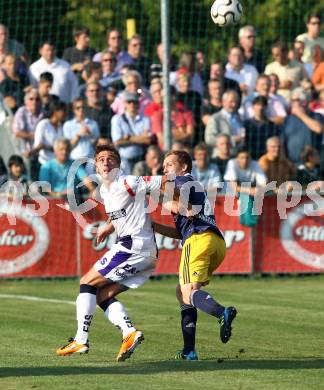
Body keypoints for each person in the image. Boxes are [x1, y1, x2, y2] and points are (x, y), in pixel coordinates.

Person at [56, 144, 167, 361]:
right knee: (102, 294)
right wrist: (109, 226)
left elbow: (163, 181)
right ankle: (129, 333)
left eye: (111, 159)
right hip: (144, 251)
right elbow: (120, 211)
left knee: (87, 282)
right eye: (101, 160)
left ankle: (80, 340)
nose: (106, 163)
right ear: (96, 167)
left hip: (133, 246)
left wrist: (187, 183)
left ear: (119, 163)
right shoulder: (106, 189)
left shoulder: (128, 181)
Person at [153, 150, 237, 361]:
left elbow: (182, 204)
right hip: (215, 242)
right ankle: (189, 350)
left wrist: (166, 202)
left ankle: (221, 313)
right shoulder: (190, 186)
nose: (165, 170)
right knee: (182, 292)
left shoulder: (183, 182)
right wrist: (154, 225)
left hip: (198, 240)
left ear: (183, 168)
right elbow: (179, 230)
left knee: (188, 292)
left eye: (169, 165)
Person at [111, 91, 152, 174]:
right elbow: (117, 142)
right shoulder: (117, 119)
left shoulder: (146, 119)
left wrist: (128, 138)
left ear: (139, 104)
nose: (132, 104)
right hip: (123, 160)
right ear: (125, 104)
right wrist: (140, 138)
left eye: (135, 102)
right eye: (129, 102)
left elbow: (148, 140)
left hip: (140, 158)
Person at [282, 88, 323, 165]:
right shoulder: (288, 119)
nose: (292, 103)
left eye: (295, 100)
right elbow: (283, 142)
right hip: (292, 164)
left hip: (312, 165)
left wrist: (301, 114)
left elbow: (318, 129)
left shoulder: (316, 116)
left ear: (304, 102)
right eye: (292, 100)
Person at [12, 87, 43, 179]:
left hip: (39, 153)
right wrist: (35, 136)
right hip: (25, 154)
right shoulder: (22, 111)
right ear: (26, 101)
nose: (34, 102)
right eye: (31, 99)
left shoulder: (43, 113)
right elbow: (17, 132)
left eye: (37, 99)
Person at [26, 100, 66, 166]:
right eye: (63, 111)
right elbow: (38, 145)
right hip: (44, 163)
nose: (65, 113)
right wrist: (32, 152)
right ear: (55, 111)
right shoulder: (43, 124)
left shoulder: (61, 127)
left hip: (57, 164)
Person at [205, 90, 244, 154]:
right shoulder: (216, 118)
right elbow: (209, 139)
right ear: (223, 102)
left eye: (235, 102)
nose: (234, 104)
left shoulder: (239, 118)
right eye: (231, 102)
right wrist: (232, 140)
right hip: (220, 157)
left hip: (237, 157)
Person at [244, 96, 280, 160]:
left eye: (263, 105)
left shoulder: (272, 126)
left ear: (266, 107)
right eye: (257, 105)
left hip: (267, 159)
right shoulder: (246, 125)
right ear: (253, 106)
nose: (260, 108)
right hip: (250, 159)